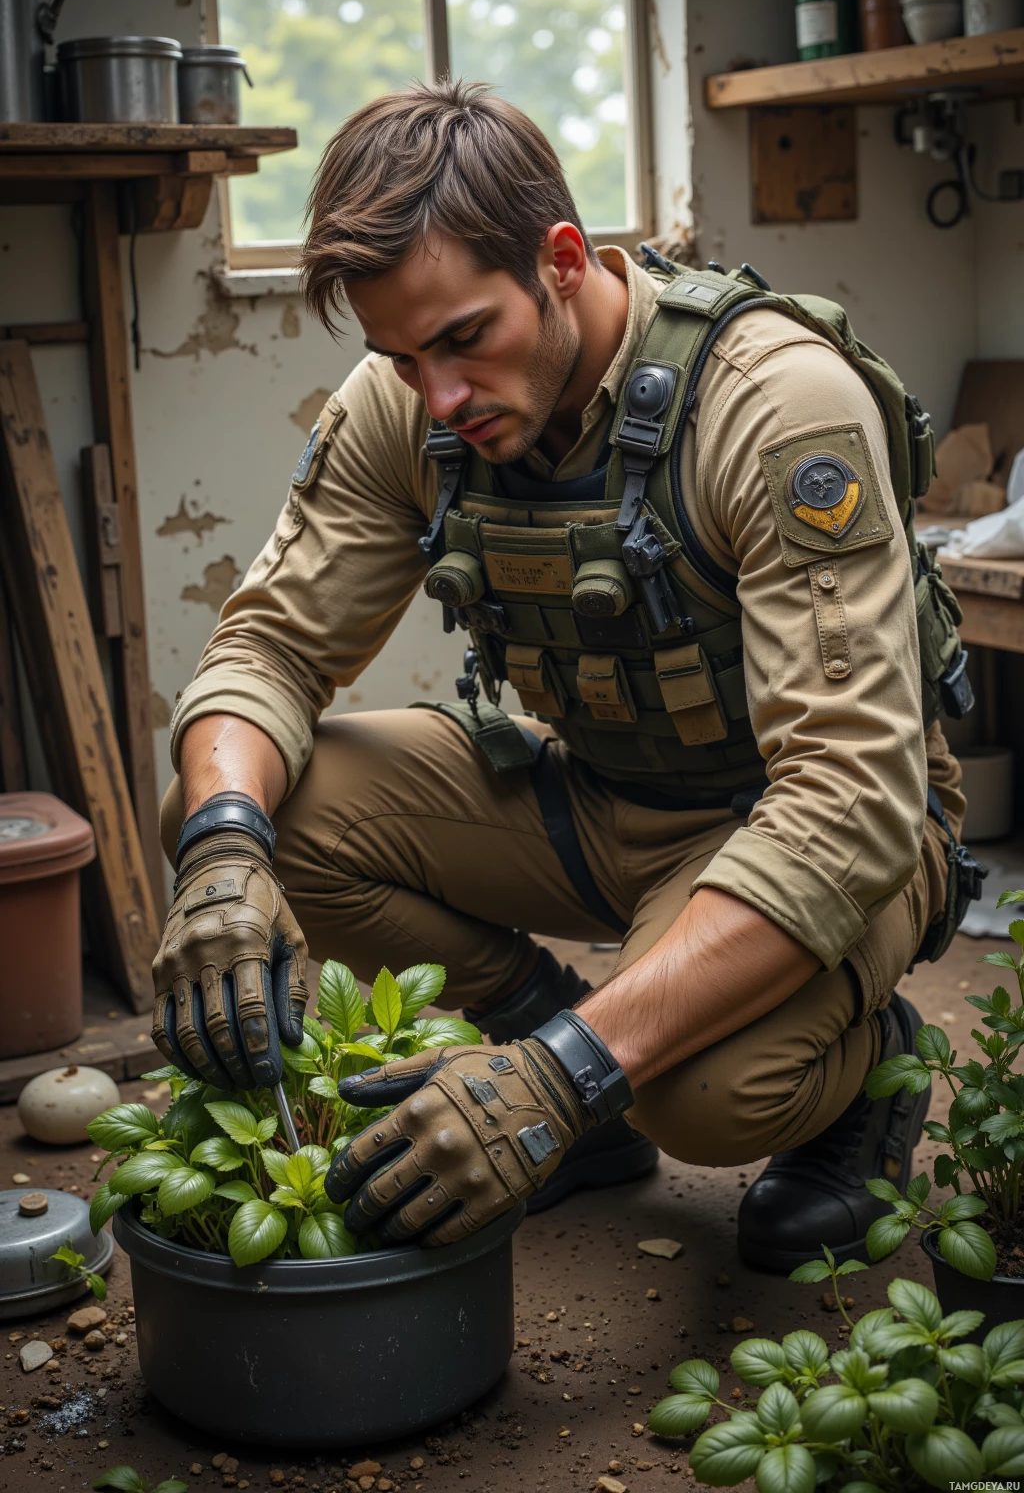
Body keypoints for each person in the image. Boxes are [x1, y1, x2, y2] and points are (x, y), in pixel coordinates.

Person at [153, 78, 973, 1271]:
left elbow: (849, 801)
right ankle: (559, 1078)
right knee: (240, 805)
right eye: (396, 353)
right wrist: (224, 847)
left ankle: (853, 1075)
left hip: (818, 831)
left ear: (562, 257)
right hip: (595, 800)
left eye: (462, 339)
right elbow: (266, 648)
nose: (436, 395)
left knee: (692, 1096)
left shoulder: (770, 405)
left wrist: (563, 1076)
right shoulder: (414, 400)